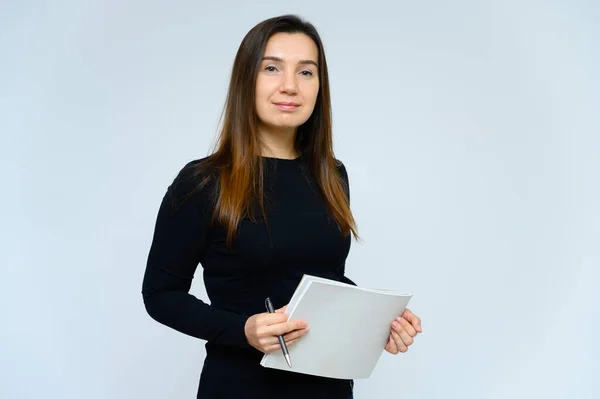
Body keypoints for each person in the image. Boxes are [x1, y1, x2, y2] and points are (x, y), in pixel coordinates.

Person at [141, 14, 422, 399]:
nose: (290, 86)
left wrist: (377, 324)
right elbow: (160, 294)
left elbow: (323, 280)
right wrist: (242, 330)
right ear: (246, 80)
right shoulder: (204, 181)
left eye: (306, 72)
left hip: (329, 388)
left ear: (320, 86)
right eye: (272, 68)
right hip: (241, 388)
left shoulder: (331, 175)